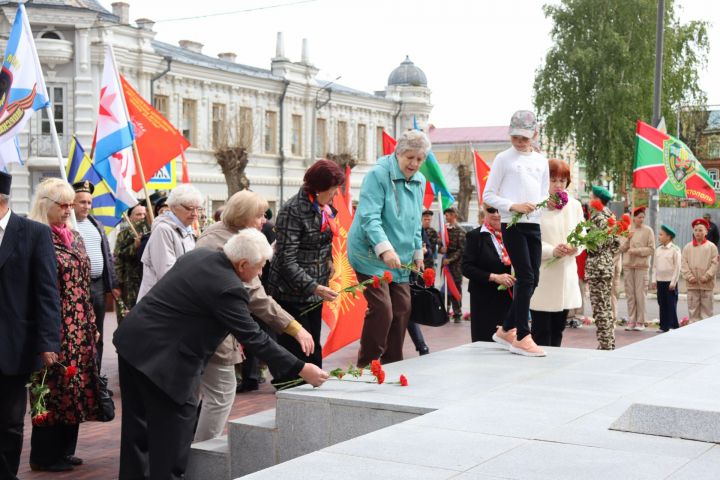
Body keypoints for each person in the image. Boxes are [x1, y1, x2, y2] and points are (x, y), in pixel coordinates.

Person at [114, 229, 328, 480]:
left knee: (137, 428)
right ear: (242, 264)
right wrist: (302, 368)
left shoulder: (200, 255)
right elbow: (255, 338)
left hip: (133, 343)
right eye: (259, 268)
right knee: (174, 431)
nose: (260, 274)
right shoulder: (228, 287)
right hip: (164, 359)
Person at [193, 191, 314, 442]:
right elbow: (257, 298)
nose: (263, 221)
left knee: (200, 395)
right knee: (222, 392)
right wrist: (294, 328)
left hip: (202, 328)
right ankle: (201, 453)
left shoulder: (222, 233)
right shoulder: (228, 245)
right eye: (259, 215)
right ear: (243, 216)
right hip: (207, 330)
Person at [27, 178, 103, 472]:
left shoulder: (75, 235)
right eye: (64, 205)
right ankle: (44, 455)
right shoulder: (37, 236)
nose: (69, 210)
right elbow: (37, 289)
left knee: (76, 387)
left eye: (72, 204)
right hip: (54, 325)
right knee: (51, 389)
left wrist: (92, 322)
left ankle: (65, 449)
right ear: (46, 205)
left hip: (80, 325)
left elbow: (84, 283)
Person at [0, 172, 61, 480]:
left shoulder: (33, 233)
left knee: (10, 421)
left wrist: (49, 341)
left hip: (14, 343)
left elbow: (47, 291)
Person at [348, 130, 428, 367]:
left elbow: (415, 219)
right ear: (398, 153)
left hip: (399, 257)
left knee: (403, 307)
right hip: (370, 254)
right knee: (383, 308)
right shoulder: (378, 175)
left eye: (419, 159)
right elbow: (369, 217)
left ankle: (393, 362)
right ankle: (367, 364)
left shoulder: (420, 181)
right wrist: (384, 249)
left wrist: (417, 252)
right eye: (409, 157)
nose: (414, 163)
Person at [267, 160, 344, 383]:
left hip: (315, 291)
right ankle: (291, 390)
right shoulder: (292, 211)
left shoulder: (326, 208)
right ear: (318, 188)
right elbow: (286, 260)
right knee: (297, 349)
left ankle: (313, 387)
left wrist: (328, 261)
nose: (335, 195)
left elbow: (325, 241)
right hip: (290, 292)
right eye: (332, 190)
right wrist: (314, 286)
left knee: (313, 347)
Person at [484, 110, 549, 357]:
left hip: (534, 224)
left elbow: (543, 193)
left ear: (534, 134)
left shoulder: (541, 161)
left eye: (524, 137)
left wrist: (547, 203)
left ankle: (506, 328)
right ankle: (522, 335)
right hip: (513, 224)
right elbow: (488, 195)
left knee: (534, 278)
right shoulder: (503, 159)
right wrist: (513, 206)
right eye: (515, 137)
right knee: (525, 277)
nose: (520, 142)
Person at [529, 159, 584, 347]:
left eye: (562, 180)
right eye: (553, 180)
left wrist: (575, 246)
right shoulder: (535, 206)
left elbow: (581, 232)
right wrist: (552, 250)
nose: (558, 185)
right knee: (541, 330)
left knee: (558, 328)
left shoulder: (575, 206)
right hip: (543, 275)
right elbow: (531, 241)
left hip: (566, 273)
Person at [72, 180, 120, 371]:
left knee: (97, 331)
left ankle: (96, 373)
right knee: (79, 331)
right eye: (82, 202)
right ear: (72, 203)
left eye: (89, 202)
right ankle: (80, 374)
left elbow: (107, 255)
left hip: (98, 286)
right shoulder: (68, 226)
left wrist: (113, 282)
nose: (86, 206)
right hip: (77, 286)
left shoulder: (96, 224)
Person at [137, 184, 201, 300]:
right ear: (174, 207)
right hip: (160, 302)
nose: (195, 213)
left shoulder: (187, 230)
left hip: (177, 298)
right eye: (190, 208)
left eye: (198, 209)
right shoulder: (163, 230)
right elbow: (167, 273)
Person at [462, 205, 514, 342]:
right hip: (484, 299)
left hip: (509, 297)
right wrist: (494, 277)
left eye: (500, 210)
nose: (496, 214)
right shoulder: (475, 236)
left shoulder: (512, 234)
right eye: (492, 210)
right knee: (485, 340)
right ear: (485, 212)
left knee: (508, 341)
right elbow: (466, 267)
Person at [585, 186, 621, 350]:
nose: (590, 199)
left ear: (597, 200)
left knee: (600, 308)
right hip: (606, 264)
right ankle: (608, 342)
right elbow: (616, 244)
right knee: (605, 306)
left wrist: (585, 241)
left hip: (597, 266)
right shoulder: (610, 216)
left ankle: (606, 344)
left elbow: (597, 244)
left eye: (591, 196)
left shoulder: (598, 217)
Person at [619, 206, 655, 331]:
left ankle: (641, 321)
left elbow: (651, 249)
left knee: (640, 294)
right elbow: (621, 249)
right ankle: (631, 320)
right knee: (630, 294)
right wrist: (627, 238)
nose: (641, 219)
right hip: (628, 265)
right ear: (633, 218)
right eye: (639, 217)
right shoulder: (628, 230)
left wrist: (637, 251)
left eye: (643, 217)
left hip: (641, 266)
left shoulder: (648, 231)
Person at [113, 203, 150, 322]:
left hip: (147, 281)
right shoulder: (123, 235)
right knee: (128, 320)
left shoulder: (151, 232)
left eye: (144, 214)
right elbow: (118, 258)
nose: (142, 217)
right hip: (129, 284)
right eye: (138, 214)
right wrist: (134, 246)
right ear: (130, 217)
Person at [681, 218, 719, 323]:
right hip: (692, 284)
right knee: (693, 312)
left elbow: (715, 264)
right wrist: (689, 276)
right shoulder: (687, 247)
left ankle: (706, 334)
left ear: (706, 231)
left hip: (706, 284)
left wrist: (707, 276)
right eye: (696, 230)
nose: (698, 232)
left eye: (701, 230)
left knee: (707, 313)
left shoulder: (712, 247)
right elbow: (684, 264)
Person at [651, 224, 681, 332]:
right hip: (660, 281)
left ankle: (673, 325)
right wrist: (654, 280)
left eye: (661, 234)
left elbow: (677, 268)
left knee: (670, 304)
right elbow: (654, 266)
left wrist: (673, 282)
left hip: (670, 282)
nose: (659, 236)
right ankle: (663, 326)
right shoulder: (658, 249)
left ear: (668, 237)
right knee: (661, 303)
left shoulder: (675, 249)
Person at [443, 206, 466, 322]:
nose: (446, 217)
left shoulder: (460, 231)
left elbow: (461, 250)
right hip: (445, 264)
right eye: (446, 215)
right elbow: (440, 243)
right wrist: (440, 249)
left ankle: (457, 313)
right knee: (445, 288)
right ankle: (445, 311)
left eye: (448, 214)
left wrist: (450, 260)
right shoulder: (444, 230)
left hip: (456, 265)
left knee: (455, 288)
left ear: (454, 216)